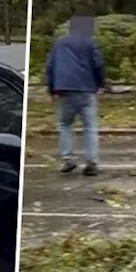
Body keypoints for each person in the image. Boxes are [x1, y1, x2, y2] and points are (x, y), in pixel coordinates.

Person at [46, 15, 105, 175]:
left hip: (64, 89)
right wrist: (100, 85)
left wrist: (52, 89)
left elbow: (50, 66)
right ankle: (91, 162)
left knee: (65, 124)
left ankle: (67, 160)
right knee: (90, 126)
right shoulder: (90, 42)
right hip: (87, 89)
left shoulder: (60, 43)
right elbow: (98, 64)